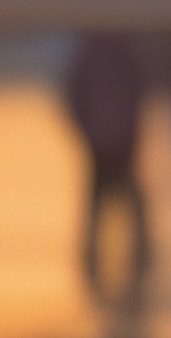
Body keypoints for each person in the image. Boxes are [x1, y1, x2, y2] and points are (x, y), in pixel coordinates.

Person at [58, 29, 154, 307]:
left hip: (103, 138)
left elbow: (73, 94)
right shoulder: (123, 48)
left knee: (101, 204)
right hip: (116, 137)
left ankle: (99, 267)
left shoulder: (91, 50)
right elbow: (139, 90)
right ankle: (134, 263)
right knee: (125, 203)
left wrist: (86, 130)